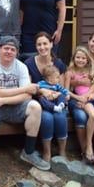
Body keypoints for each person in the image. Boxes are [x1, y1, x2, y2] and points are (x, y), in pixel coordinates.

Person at [0, 36, 50, 187]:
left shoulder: (20, 67)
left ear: (16, 52)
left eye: (13, 49)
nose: (9, 52)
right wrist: (24, 89)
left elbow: (27, 96)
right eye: (6, 48)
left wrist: (5, 100)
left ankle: (28, 152)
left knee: (35, 106)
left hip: (12, 105)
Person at [24, 32, 67, 161]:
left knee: (60, 116)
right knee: (47, 118)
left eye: (45, 44)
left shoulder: (58, 64)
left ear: (51, 44)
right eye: (39, 44)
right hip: (39, 102)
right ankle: (47, 152)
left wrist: (56, 95)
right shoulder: (29, 63)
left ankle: (62, 152)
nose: (42, 47)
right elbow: (29, 88)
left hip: (57, 101)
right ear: (36, 47)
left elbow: (63, 88)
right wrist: (42, 91)